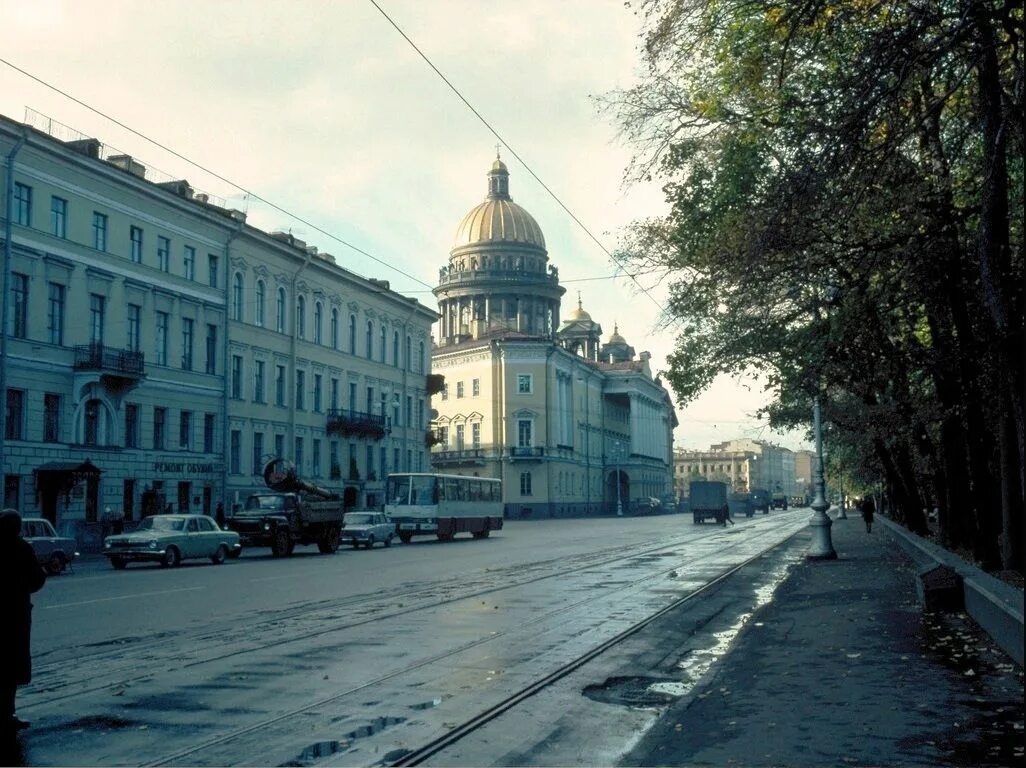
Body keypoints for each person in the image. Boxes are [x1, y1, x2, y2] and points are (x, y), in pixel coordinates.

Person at [0, 509, 47, 734]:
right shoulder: (22, 548)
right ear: (17, 527)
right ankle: (7, 713)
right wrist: (21, 591)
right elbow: (37, 579)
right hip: (15, 614)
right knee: (10, 667)